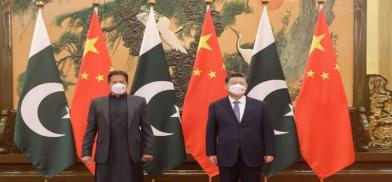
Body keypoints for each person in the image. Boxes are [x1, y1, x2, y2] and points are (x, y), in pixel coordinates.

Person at [81, 70, 154, 182]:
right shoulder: (97, 103)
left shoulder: (139, 102)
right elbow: (90, 130)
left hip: (131, 155)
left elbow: (147, 129)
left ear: (126, 84)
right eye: (114, 82)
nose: (118, 84)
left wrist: (148, 150)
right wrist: (86, 152)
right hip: (106, 155)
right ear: (109, 84)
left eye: (121, 82)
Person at [206, 72, 276, 182]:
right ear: (226, 86)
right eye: (234, 83)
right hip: (226, 154)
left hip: (253, 154)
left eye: (241, 83)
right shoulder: (216, 106)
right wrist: (211, 153)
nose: (238, 85)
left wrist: (270, 152)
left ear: (246, 86)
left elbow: (267, 130)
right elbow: (211, 131)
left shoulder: (260, 106)